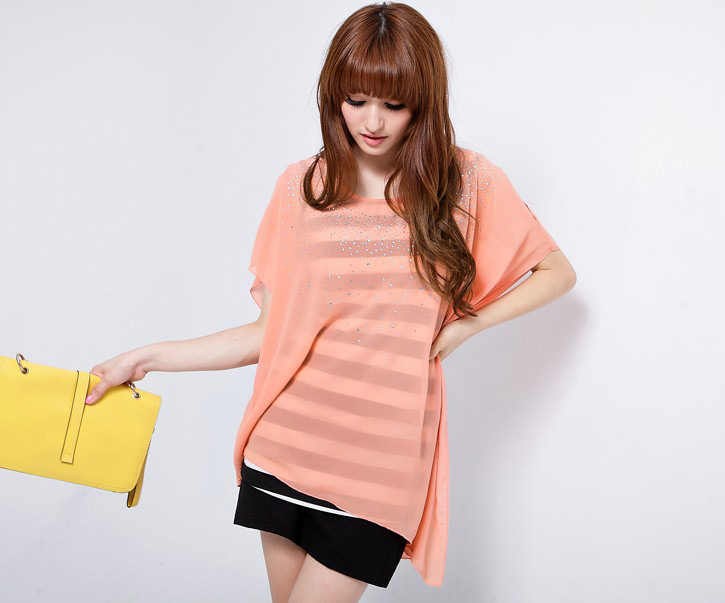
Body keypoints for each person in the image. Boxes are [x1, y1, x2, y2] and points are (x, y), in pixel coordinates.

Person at [84, 2, 576, 601]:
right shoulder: (303, 187)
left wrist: (464, 327)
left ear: (423, 102)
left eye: (394, 104)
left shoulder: (464, 182)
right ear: (333, 96)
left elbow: (555, 273)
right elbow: (267, 334)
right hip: (284, 449)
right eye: (356, 99)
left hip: (380, 471)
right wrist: (143, 358)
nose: (373, 121)